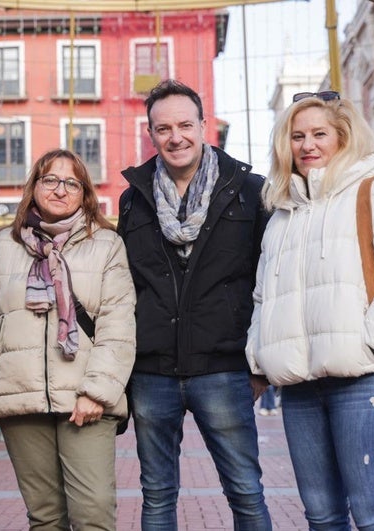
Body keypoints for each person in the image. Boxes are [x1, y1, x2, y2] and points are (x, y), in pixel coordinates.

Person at [246, 91, 374, 530]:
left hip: (361, 384)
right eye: (297, 136)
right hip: (298, 389)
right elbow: (263, 298)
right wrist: (259, 355)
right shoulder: (281, 215)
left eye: (320, 133)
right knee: (321, 517)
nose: (307, 145)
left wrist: (364, 340)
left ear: (343, 137)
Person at [117, 79, 272, 530]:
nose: (175, 136)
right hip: (152, 372)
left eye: (185, 124)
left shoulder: (249, 191)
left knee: (245, 492)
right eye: (163, 128)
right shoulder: (133, 200)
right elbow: (127, 285)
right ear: (151, 134)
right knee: (157, 498)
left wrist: (258, 362)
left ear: (204, 126)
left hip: (223, 366)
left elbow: (268, 281)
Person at [0, 149, 136, 530]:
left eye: (71, 182)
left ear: (85, 194)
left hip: (86, 399)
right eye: (50, 179)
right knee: (45, 518)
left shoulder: (107, 245)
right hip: (18, 396)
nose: (60, 189)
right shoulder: (3, 246)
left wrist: (97, 391)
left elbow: (118, 324)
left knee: (93, 513)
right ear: (34, 187)